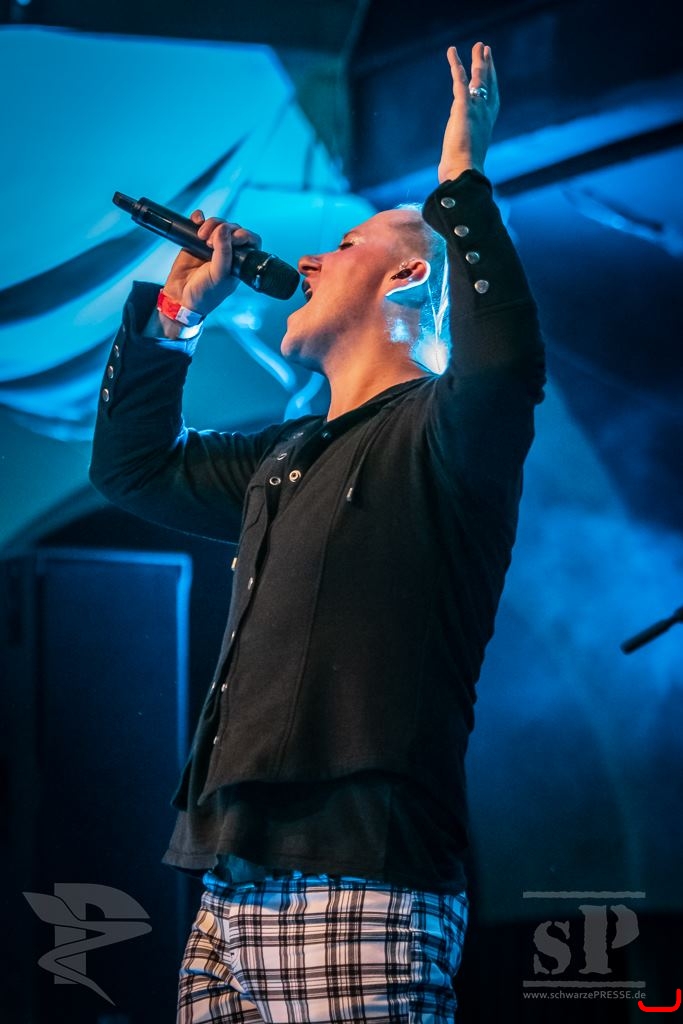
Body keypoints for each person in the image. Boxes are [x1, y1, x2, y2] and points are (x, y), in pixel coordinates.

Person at [90, 42, 545, 1023]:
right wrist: (175, 312)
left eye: (340, 246)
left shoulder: (440, 436)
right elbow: (132, 469)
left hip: (358, 881)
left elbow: (503, 362)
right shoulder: (284, 456)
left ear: (406, 276)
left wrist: (460, 182)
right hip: (229, 884)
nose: (304, 261)